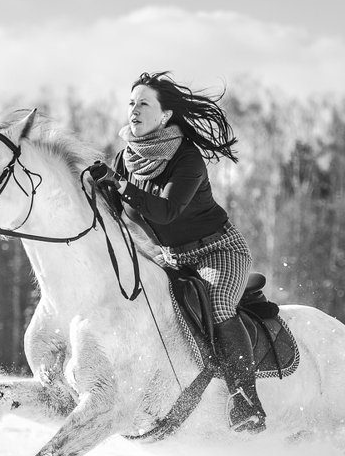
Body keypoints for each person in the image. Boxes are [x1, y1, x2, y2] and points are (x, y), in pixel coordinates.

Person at [90, 71, 266, 433]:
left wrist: (120, 185)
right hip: (171, 257)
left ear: (166, 115)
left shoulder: (187, 159)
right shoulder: (127, 158)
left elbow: (166, 211)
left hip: (218, 251)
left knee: (218, 304)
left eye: (144, 104)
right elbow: (121, 211)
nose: (134, 110)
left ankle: (246, 402)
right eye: (131, 103)